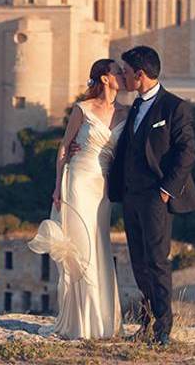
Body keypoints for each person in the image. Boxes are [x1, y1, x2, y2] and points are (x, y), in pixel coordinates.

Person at [106, 45, 195, 346]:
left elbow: (188, 152)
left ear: (140, 74)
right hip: (131, 195)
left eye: (126, 72)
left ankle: (163, 327)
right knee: (138, 261)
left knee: (158, 260)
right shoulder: (133, 106)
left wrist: (165, 191)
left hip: (156, 196)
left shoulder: (175, 107)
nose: (122, 76)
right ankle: (146, 321)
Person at [27, 59, 126, 339]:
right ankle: (81, 324)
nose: (122, 75)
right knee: (83, 250)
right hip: (79, 180)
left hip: (104, 186)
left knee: (100, 245)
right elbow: (64, 147)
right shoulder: (82, 109)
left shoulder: (127, 113)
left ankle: (104, 322)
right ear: (105, 79)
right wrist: (58, 186)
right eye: (117, 71)